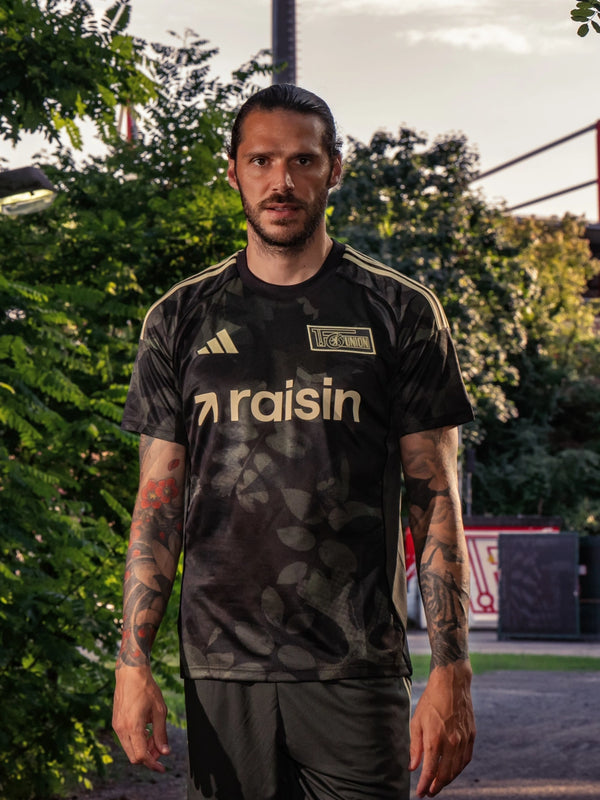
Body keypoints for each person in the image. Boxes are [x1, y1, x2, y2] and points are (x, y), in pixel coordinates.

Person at [112, 83, 476, 800]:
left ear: (334, 169)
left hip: (356, 665)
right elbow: (158, 502)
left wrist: (452, 670)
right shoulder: (180, 318)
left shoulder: (400, 311)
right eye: (262, 160)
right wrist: (132, 663)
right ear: (234, 171)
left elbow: (435, 500)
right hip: (221, 669)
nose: (281, 180)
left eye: (303, 160)